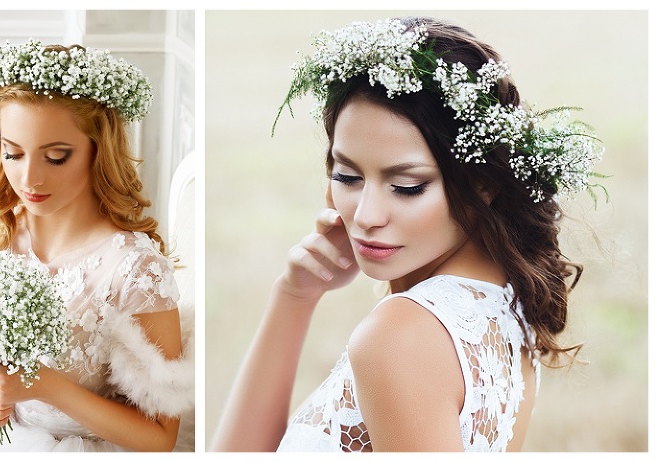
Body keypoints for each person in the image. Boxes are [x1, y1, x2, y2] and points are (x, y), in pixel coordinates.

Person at [211, 16, 604, 452]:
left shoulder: (401, 336)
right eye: (347, 176)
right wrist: (295, 295)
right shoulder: (503, 301)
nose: (366, 215)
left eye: (406, 186)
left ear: (482, 184)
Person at [0, 40, 194, 452]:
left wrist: (46, 386)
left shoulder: (135, 270)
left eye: (56, 157)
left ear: (98, 151)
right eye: (13, 154)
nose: (29, 179)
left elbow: (160, 438)